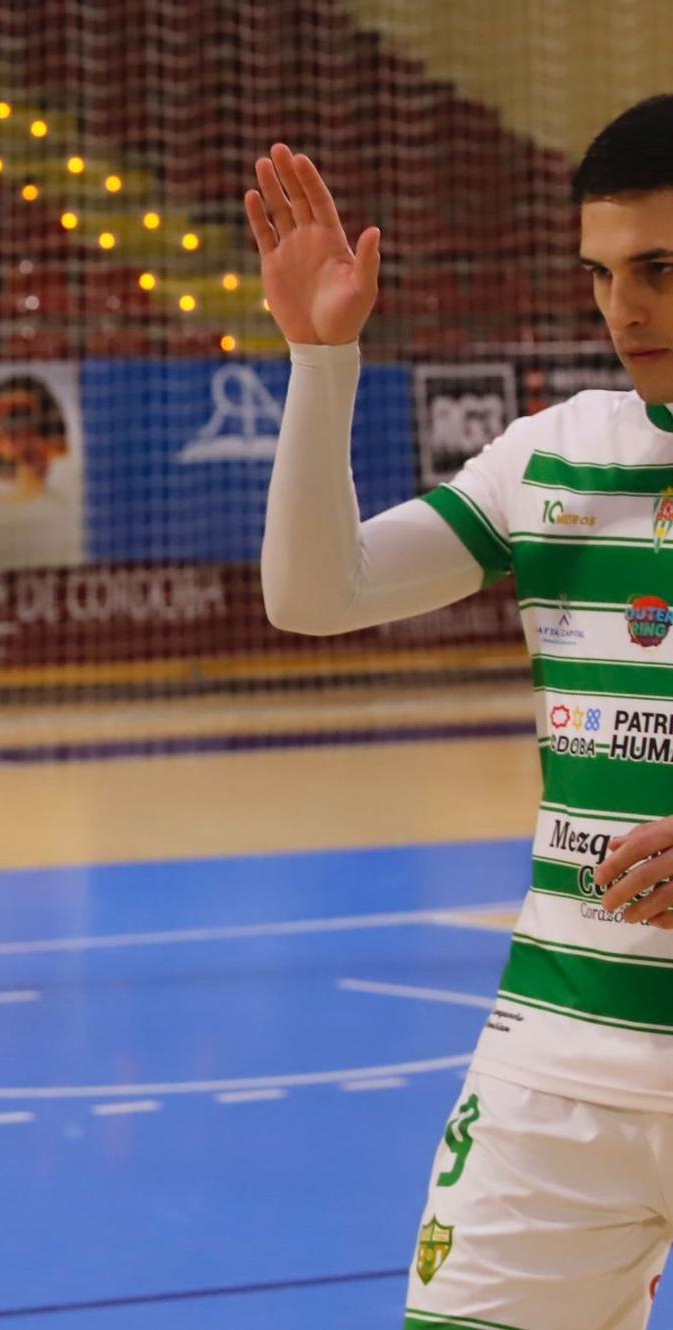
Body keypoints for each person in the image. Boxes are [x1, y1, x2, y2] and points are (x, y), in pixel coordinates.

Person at [250, 96, 673, 1328]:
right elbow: (314, 595)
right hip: (560, 1054)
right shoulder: (550, 458)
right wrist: (318, 361)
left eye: (657, 270)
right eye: (598, 274)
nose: (621, 310)